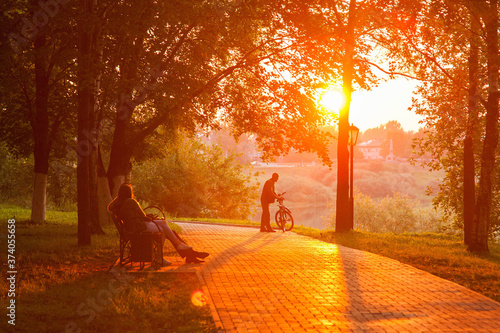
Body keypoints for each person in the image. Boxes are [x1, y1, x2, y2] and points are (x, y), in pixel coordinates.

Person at [108, 183, 209, 265]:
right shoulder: (131, 201)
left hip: (133, 225)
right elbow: (142, 214)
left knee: (164, 224)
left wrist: (119, 197)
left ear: (120, 194)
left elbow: (111, 207)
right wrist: (149, 217)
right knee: (164, 231)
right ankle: (164, 257)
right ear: (129, 193)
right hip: (138, 227)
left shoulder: (119, 204)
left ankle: (184, 250)